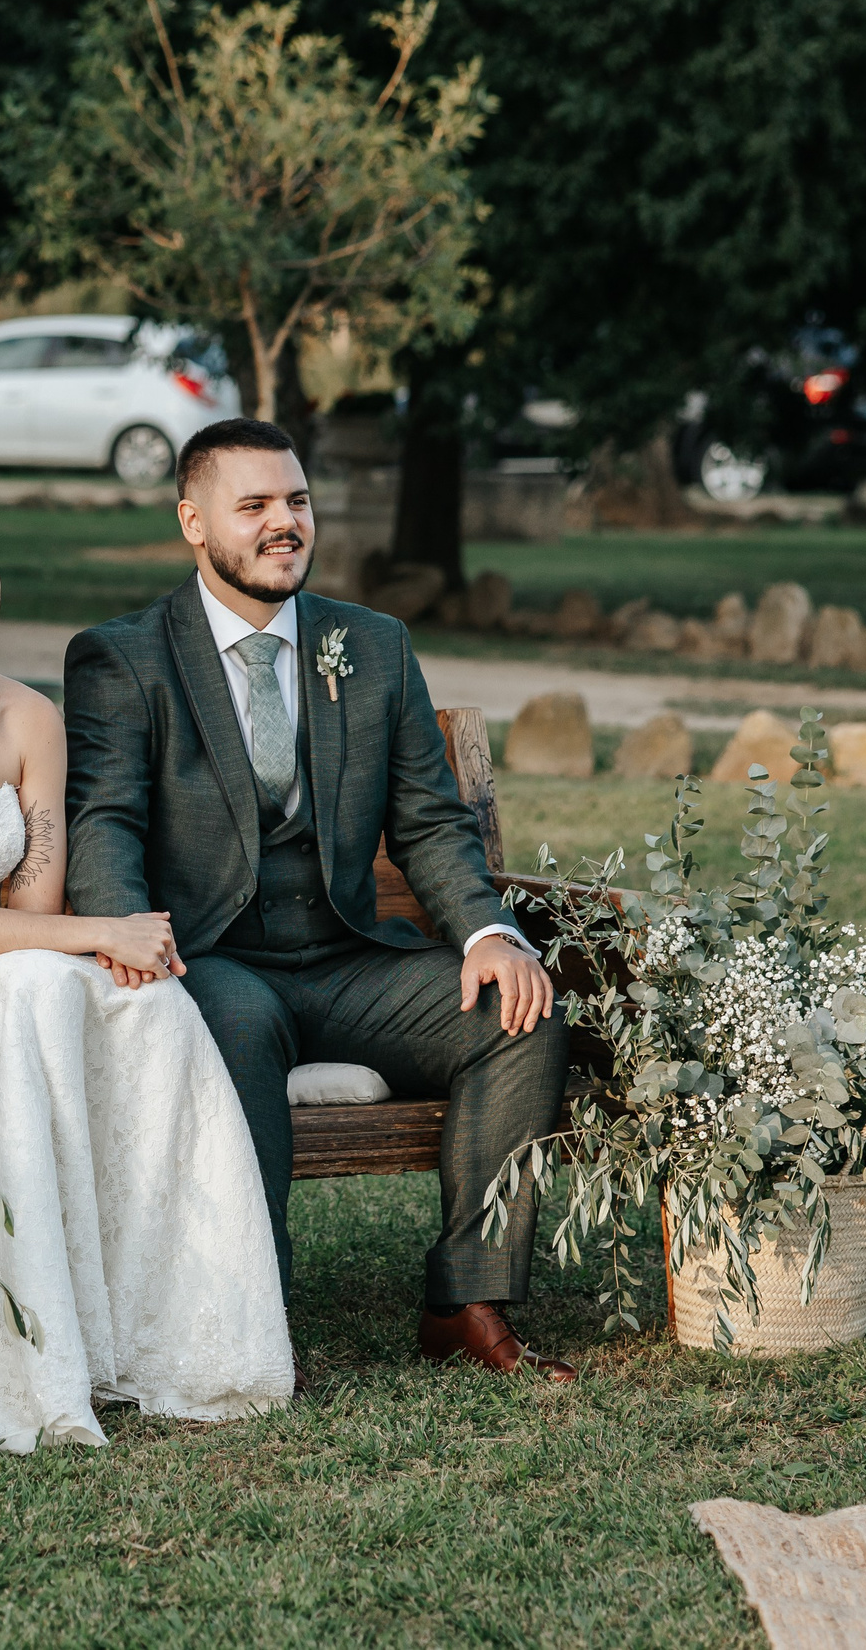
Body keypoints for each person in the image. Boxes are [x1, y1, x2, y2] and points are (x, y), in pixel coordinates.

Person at [61, 418, 579, 1384]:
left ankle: (467, 1300)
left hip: (345, 956)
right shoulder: (124, 657)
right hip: (210, 957)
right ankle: (250, 1323)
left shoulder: (370, 645)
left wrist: (488, 931)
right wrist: (118, 929)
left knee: (522, 1016)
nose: (282, 523)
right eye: (252, 505)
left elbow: (429, 822)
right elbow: (104, 820)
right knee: (240, 1032)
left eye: (295, 501)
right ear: (193, 520)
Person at [0, 480, 296, 1453]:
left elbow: (25, 912)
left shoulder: (30, 718)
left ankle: (182, 1335)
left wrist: (95, 945)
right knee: (56, 977)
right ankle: (26, 1351)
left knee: (146, 1003)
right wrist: (99, 931)